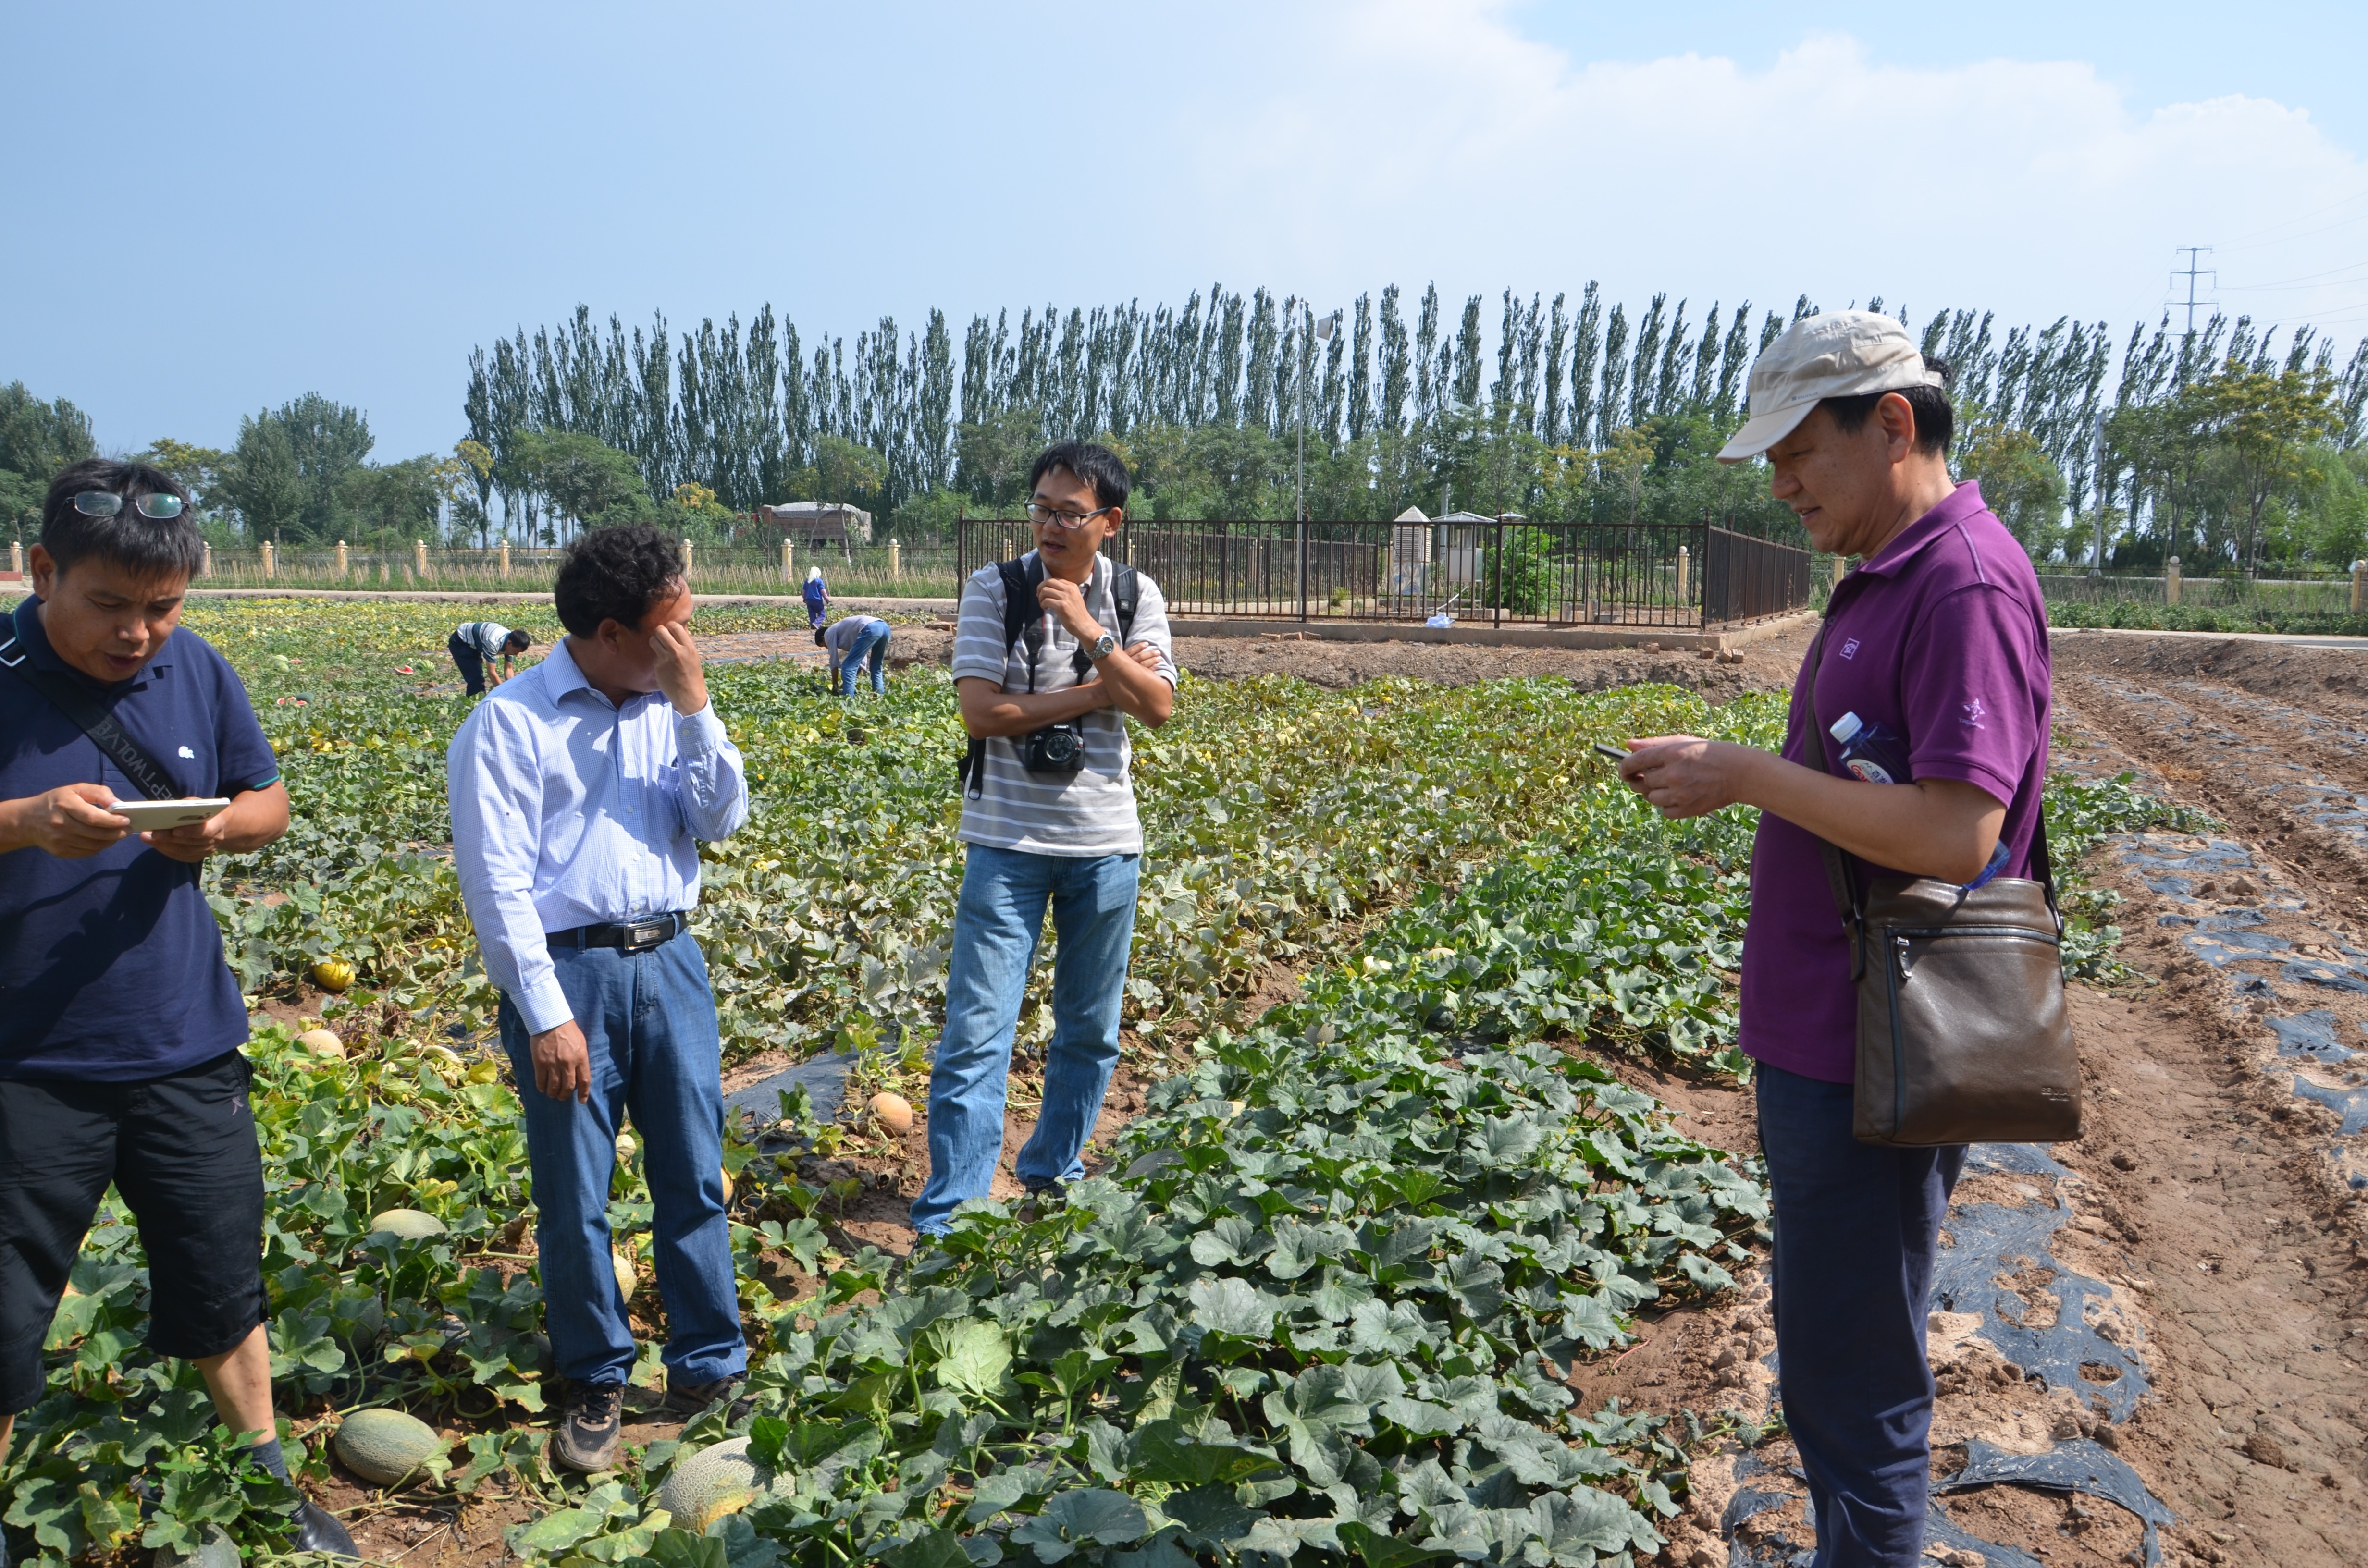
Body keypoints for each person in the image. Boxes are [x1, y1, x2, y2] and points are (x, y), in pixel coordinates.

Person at [1615, 311, 2048, 1568]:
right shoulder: (1893, 572)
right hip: (1834, 1031)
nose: (1782, 485)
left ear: (1893, 424)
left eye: (1800, 453)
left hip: (1878, 1045)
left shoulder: (1960, 582)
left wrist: (1748, 774)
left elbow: (1960, 831)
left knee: (1855, 1388)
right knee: (1834, 1365)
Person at [0, 460, 352, 1557]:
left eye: (162, 606)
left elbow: (269, 797)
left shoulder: (196, 666)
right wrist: (24, 820)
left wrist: (224, 829)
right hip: (23, 1059)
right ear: (43, 569)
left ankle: (266, 1488)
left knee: (220, 1280)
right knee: (4, 1310)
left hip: (183, 1042)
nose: (138, 633)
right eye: (110, 604)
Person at [446, 526, 750, 1472]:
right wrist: (546, 1014)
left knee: (693, 1173)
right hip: (568, 973)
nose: (686, 645)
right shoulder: (509, 724)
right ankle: (596, 1374)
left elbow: (721, 820)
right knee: (575, 1192)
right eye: (671, 631)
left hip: (672, 961)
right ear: (612, 632)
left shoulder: (670, 705)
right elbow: (497, 886)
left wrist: (696, 709)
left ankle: (707, 1363)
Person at [911, 441, 1176, 1236]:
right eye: (1041, 508)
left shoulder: (1133, 595)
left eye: (1069, 512)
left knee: (1090, 1032)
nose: (1051, 524)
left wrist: (1089, 630)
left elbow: (1158, 706)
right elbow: (982, 712)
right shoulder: (994, 588)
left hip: (1105, 845)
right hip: (1005, 845)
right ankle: (952, 1214)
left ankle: (1053, 1175)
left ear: (1110, 522)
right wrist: (1099, 691)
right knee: (976, 1031)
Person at [449, 619, 531, 695]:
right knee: (476, 677)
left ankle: (480, 699)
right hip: (460, 641)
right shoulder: (493, 642)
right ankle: (474, 703)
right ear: (509, 644)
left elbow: (509, 670)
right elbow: (491, 673)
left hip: (475, 643)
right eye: (516, 651)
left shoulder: (512, 641)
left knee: (478, 676)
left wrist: (513, 690)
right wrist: (505, 693)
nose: (517, 654)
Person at [818, 612, 891, 697]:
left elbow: (834, 663)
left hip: (871, 628)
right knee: (876, 667)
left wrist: (835, 687)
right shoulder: (848, 633)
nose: (827, 648)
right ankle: (880, 697)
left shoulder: (828, 633)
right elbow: (862, 663)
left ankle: (848, 700)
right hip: (885, 628)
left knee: (847, 666)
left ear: (823, 638)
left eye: (824, 645)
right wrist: (846, 684)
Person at [802, 564, 829, 630]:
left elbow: (803, 591)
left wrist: (804, 598)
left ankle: (813, 626)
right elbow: (823, 591)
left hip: (809, 601)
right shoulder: (819, 581)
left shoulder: (807, 581)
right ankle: (816, 624)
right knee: (822, 614)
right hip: (817, 600)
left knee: (812, 614)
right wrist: (827, 599)